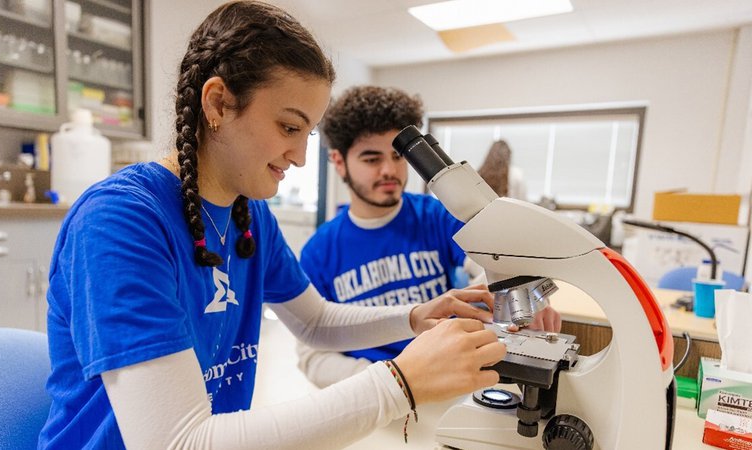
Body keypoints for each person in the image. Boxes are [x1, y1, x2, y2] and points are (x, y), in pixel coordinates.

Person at [37, 2, 509, 449]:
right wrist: (399, 384)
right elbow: (178, 441)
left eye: (308, 135)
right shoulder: (121, 222)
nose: (301, 157)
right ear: (218, 104)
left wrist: (412, 317)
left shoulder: (248, 212)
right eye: (288, 128)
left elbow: (316, 321)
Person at [297, 86, 561, 388]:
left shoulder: (436, 216)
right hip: (377, 396)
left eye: (398, 157)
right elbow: (312, 356)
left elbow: (490, 265)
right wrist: (394, 380)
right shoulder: (318, 252)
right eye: (371, 159)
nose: (389, 170)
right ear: (339, 162)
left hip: (450, 377)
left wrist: (518, 297)